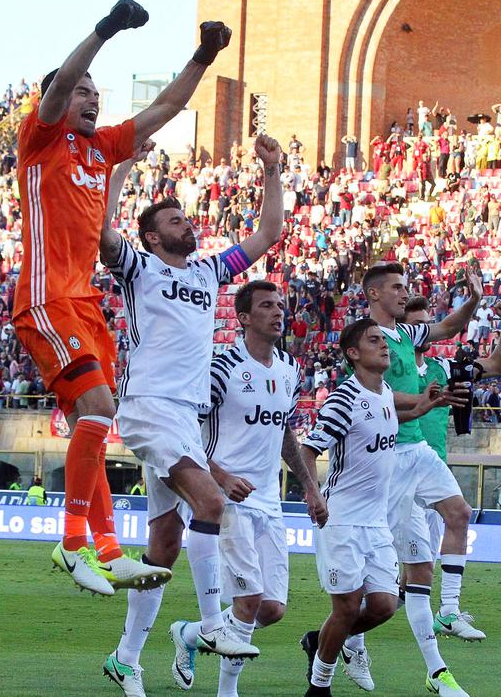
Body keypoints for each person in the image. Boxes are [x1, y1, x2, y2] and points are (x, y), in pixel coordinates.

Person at [11, 0, 199, 598]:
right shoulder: (40, 141)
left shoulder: (103, 150)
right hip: (47, 298)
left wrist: (205, 54)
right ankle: (72, 545)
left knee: (95, 418)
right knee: (96, 409)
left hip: (86, 303)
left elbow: (168, 106)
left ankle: (111, 549)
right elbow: (63, 79)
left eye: (98, 92)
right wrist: (105, 31)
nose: (92, 97)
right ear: (59, 102)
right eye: (83, 91)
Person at [99, 130, 281, 691]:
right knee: (211, 500)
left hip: (187, 413)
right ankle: (207, 626)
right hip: (149, 407)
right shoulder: (139, 267)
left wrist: (273, 170)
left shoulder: (208, 271)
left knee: (164, 547)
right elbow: (103, 234)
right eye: (174, 220)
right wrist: (122, 166)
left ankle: (126, 656)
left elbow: (268, 233)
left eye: (186, 218)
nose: (187, 224)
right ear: (153, 236)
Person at [170, 280, 328, 695]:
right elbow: (187, 430)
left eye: (280, 305)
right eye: (267, 306)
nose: (279, 312)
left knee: (272, 609)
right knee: (249, 599)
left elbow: (285, 434)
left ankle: (189, 634)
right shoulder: (221, 368)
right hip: (225, 498)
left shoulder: (289, 369)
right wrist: (219, 476)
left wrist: (310, 488)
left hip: (269, 502)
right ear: (243, 318)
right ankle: (227, 691)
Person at [338, 262, 481, 696]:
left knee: (459, 513)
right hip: (389, 461)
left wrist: (472, 301)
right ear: (375, 294)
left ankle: (450, 612)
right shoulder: (365, 341)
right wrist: (425, 400)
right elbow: (376, 401)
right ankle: (350, 639)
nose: (405, 294)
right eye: (397, 288)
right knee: (390, 574)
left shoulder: (406, 334)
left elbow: (446, 328)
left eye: (406, 287)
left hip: (418, 451)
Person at [299, 319, 446, 697]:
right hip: (342, 518)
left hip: (375, 521)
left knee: (383, 605)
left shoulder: (383, 393)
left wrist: (422, 408)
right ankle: (319, 686)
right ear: (353, 353)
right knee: (347, 607)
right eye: (374, 340)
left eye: (384, 340)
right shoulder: (343, 399)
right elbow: (308, 448)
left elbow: (390, 422)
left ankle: (320, 641)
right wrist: (313, 493)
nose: (384, 346)